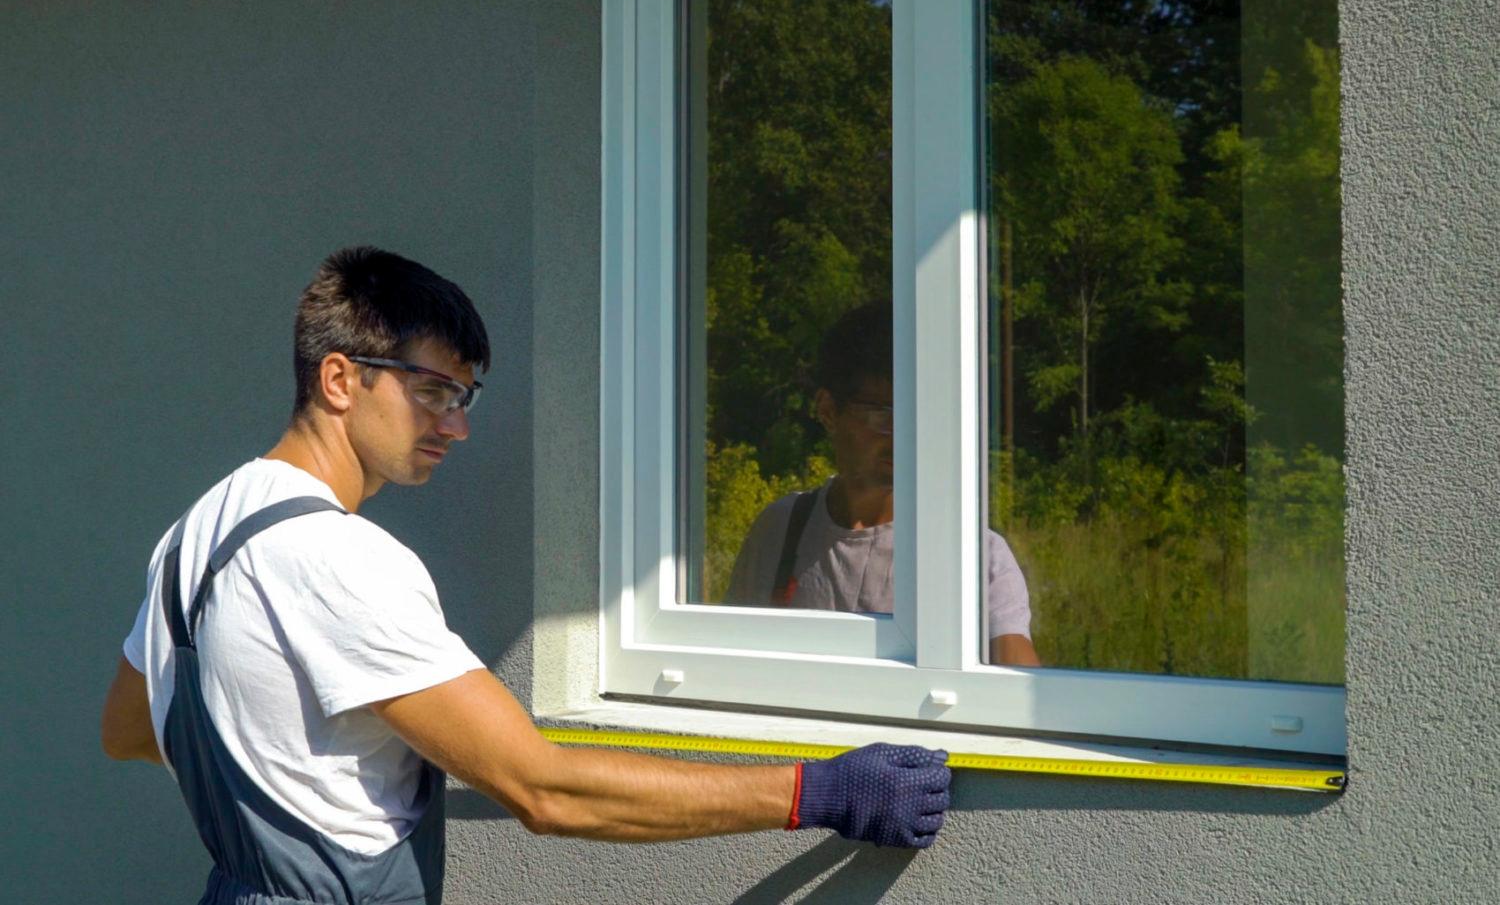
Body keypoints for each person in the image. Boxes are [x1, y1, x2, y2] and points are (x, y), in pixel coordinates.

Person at [100, 247, 951, 905]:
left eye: (464, 397)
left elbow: (133, 728)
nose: (455, 426)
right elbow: (543, 789)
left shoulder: (197, 532)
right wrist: (820, 788)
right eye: (432, 391)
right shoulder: (343, 560)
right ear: (338, 380)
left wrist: (298, 759)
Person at [723, 301, 1042, 668]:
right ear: (828, 410)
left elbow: (1021, 696)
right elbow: (728, 662)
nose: (903, 435)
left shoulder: (972, 555)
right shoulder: (781, 530)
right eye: (882, 414)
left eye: (918, 413)